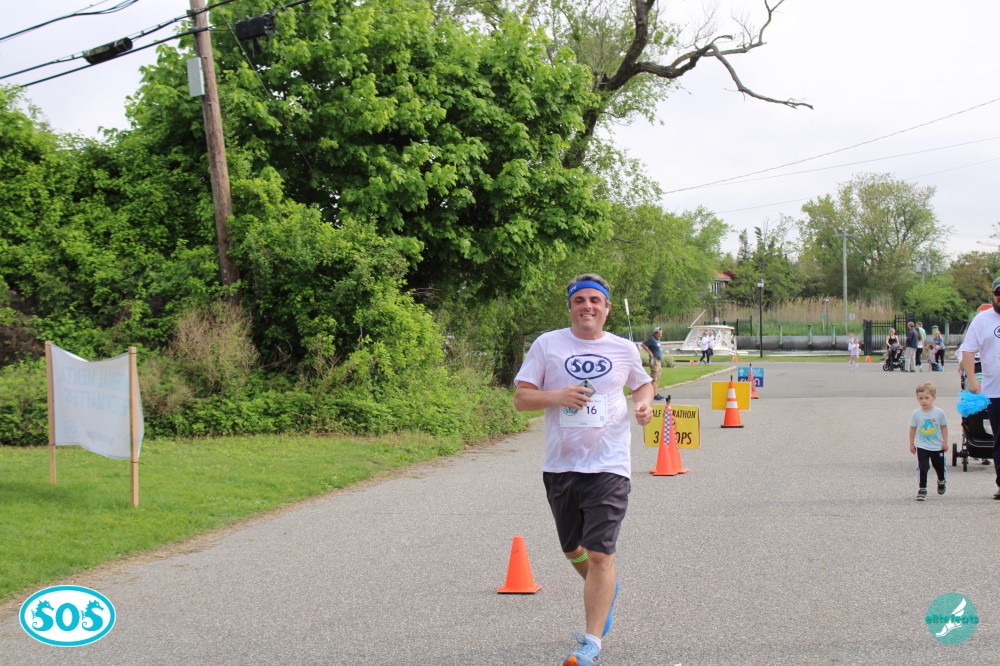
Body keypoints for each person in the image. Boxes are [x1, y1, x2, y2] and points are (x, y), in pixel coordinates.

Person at [513, 273, 654, 665]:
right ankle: (606, 588)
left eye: (595, 300)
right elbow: (522, 399)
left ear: (606, 308)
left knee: (600, 554)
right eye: (580, 300)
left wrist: (644, 404)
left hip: (609, 464)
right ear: (570, 307)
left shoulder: (624, 348)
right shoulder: (548, 344)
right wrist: (558, 396)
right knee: (572, 548)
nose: (587, 306)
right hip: (561, 465)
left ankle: (591, 645)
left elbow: (642, 385)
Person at [958, 276, 1000, 500]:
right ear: (993, 295)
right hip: (994, 391)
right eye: (998, 293)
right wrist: (973, 381)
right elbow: (968, 350)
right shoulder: (982, 320)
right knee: (999, 440)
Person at [908, 382, 949, 501]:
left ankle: (941, 480)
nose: (924, 401)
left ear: (933, 398)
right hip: (922, 445)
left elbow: (944, 427)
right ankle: (922, 489)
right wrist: (912, 443)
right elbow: (912, 428)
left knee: (939, 466)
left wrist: (945, 442)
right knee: (923, 467)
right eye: (921, 398)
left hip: (937, 446)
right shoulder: (916, 414)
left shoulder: (939, 412)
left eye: (927, 398)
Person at [639, 327, 665, 401]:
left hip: (658, 361)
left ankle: (656, 393)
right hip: (655, 361)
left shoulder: (657, 340)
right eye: (659, 334)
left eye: (661, 334)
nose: (660, 335)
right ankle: (654, 395)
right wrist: (650, 353)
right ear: (655, 333)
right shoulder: (652, 339)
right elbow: (643, 345)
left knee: (657, 378)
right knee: (654, 378)